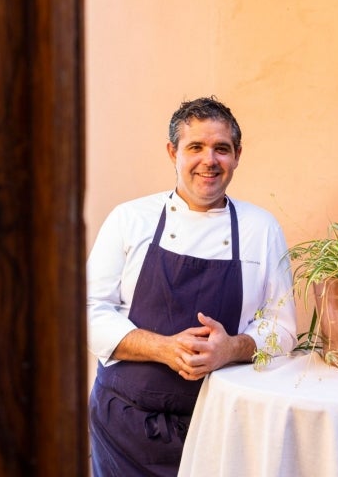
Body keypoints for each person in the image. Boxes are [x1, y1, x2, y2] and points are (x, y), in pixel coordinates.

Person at [87, 96, 297, 476]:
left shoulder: (261, 228)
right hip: (124, 426)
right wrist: (163, 348)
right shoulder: (129, 219)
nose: (209, 161)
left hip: (218, 425)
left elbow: (282, 328)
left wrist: (231, 347)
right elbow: (87, 311)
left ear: (237, 155)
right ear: (173, 152)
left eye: (222, 149)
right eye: (195, 147)